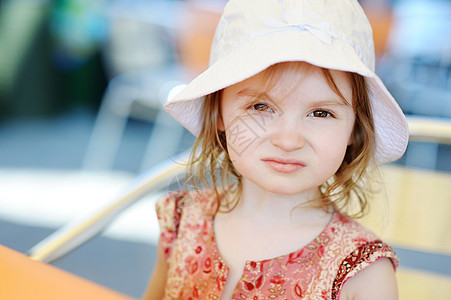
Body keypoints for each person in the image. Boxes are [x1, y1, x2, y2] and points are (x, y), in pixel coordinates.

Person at [143, 0, 409, 299]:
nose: (288, 139)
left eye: (321, 113)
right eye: (261, 106)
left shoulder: (363, 273)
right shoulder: (183, 220)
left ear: (354, 129)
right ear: (218, 112)